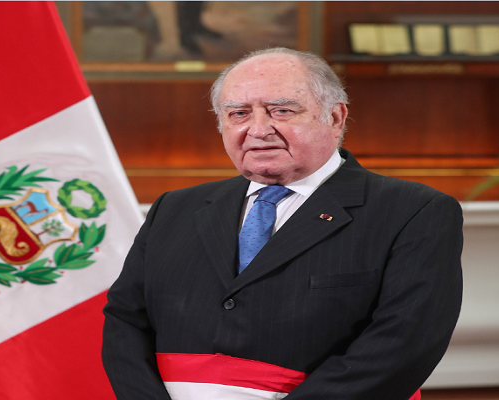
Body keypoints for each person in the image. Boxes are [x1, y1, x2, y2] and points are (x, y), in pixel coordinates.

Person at [102, 47, 463, 400]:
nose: (258, 130)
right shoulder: (174, 208)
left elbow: (403, 343)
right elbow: (125, 323)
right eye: (239, 113)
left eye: (282, 111)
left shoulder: (414, 211)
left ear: (335, 118)